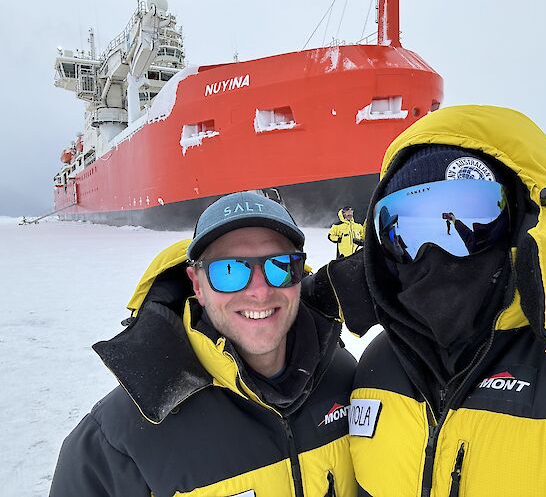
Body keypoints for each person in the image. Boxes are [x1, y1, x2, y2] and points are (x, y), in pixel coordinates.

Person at [303, 105, 546, 496]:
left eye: (465, 219)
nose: (432, 253)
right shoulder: (378, 366)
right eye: (404, 229)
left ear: (521, 221)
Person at [50, 191, 357, 496]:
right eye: (229, 271)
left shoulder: (346, 378)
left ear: (298, 274)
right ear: (197, 284)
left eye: (279, 265)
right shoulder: (116, 443)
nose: (260, 292)